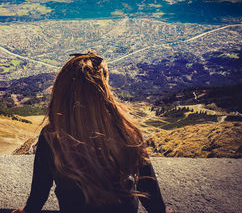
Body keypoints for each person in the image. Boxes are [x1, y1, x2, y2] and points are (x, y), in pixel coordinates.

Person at [13, 51, 173, 213]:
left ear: (62, 91)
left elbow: (40, 191)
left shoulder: (52, 136)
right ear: (103, 88)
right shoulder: (125, 128)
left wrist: (27, 210)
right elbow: (147, 184)